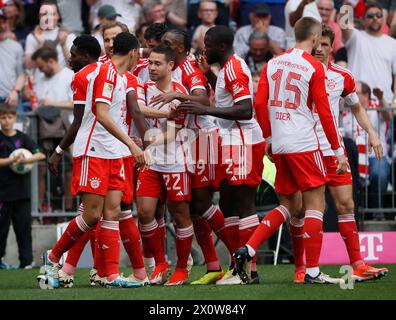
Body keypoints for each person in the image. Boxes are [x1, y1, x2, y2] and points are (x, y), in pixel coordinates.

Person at [235, 17, 348, 285]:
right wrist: (337, 149)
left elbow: (259, 103)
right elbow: (324, 111)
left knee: (287, 206)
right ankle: (312, 272)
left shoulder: (273, 62)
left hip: (280, 144)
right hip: (305, 143)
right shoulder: (313, 67)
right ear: (314, 36)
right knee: (315, 203)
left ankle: (248, 249)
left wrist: (269, 138)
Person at [37, 32, 148, 289]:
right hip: (94, 150)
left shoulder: (119, 76)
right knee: (90, 216)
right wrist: (132, 144)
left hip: (114, 153)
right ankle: (53, 257)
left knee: (112, 213)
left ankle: (110, 275)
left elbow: (128, 111)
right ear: (132, 53)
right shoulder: (107, 73)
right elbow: (101, 114)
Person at [178, 25, 266, 285]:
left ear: (221, 47)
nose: (204, 49)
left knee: (244, 203)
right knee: (227, 204)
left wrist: (206, 111)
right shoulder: (227, 69)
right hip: (231, 141)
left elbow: (245, 110)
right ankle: (235, 267)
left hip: (243, 141)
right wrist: (210, 76)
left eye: (207, 44)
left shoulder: (236, 68)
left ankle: (250, 271)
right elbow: (229, 98)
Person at [307, 25, 388, 282]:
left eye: (325, 45)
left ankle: (358, 264)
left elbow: (356, 108)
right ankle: (306, 269)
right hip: (306, 148)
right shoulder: (299, 71)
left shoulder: (342, 75)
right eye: (316, 44)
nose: (319, 49)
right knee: (307, 209)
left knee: (346, 204)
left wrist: (372, 133)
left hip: (334, 149)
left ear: (332, 48)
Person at [158, 29, 226, 284]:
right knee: (195, 210)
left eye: (167, 44)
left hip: (204, 139)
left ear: (180, 50)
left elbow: (203, 100)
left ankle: (241, 259)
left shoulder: (188, 69)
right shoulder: (169, 68)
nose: (162, 47)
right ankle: (212, 266)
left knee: (201, 204)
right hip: (187, 141)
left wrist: (178, 94)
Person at [136, 44, 195, 286]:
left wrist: (147, 143)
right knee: (144, 212)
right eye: (150, 63)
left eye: (157, 63)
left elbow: (172, 133)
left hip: (174, 161)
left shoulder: (180, 92)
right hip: (151, 161)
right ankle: (161, 264)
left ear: (171, 65)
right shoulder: (144, 86)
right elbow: (138, 108)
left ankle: (182, 267)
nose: (151, 68)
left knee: (180, 216)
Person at [0, 103, 45, 269]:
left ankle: (26, 262)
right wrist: (11, 160)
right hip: (3, 193)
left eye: (9, 117)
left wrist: (26, 159)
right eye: (3, 117)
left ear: (15, 119)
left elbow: (40, 154)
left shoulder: (23, 138)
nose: (6, 121)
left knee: (23, 228)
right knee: (1, 229)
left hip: (22, 192)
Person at [30, 45, 74, 212]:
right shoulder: (40, 77)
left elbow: (74, 104)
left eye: (41, 67)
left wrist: (51, 103)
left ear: (51, 61)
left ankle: (69, 209)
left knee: (68, 169)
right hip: (43, 130)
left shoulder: (69, 75)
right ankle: (40, 208)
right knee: (40, 167)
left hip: (66, 129)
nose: (40, 71)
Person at [341, 1, 396, 106]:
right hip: (357, 103)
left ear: (383, 19)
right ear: (362, 19)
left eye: (378, 15)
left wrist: (395, 101)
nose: (375, 18)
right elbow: (344, 24)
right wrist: (347, 3)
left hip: (384, 105)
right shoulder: (355, 37)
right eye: (370, 16)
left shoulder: (393, 43)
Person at [24, 0, 75, 69]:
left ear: (58, 16)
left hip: (64, 78)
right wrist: (40, 45)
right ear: (39, 17)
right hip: (40, 78)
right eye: (44, 14)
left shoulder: (69, 35)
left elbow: (73, 65)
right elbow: (28, 66)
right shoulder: (32, 37)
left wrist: (64, 45)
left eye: (52, 14)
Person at [0, 9, 25, 111]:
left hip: (11, 98)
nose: (2, 26)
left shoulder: (16, 46)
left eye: (4, 22)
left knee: (18, 127)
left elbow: (21, 74)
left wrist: (15, 91)